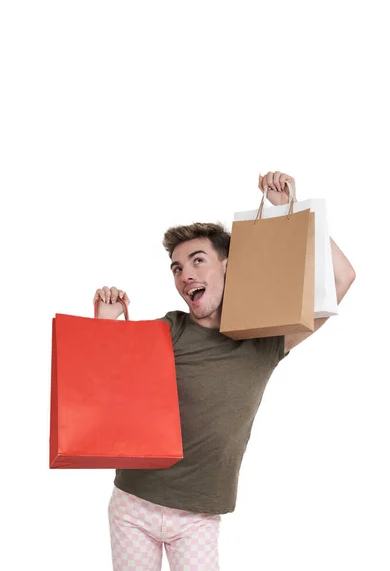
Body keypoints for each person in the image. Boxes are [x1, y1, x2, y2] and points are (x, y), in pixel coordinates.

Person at [94, 172, 356, 571]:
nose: (185, 276)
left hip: (199, 516)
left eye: (198, 261)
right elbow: (109, 380)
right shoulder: (171, 328)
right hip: (134, 503)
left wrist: (290, 211)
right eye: (177, 268)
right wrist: (105, 323)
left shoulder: (264, 340)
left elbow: (342, 278)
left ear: (229, 266)